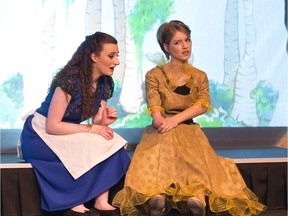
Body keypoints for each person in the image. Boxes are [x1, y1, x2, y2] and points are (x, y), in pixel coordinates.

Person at [112, 20, 266, 216]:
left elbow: (202, 104)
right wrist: (161, 119)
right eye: (177, 42)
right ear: (166, 47)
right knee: (159, 154)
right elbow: (155, 107)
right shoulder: (154, 75)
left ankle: (196, 199)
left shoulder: (199, 76)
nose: (185, 46)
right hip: (161, 129)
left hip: (188, 128)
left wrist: (175, 120)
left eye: (187, 40)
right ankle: (156, 198)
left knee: (192, 158)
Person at [18, 32, 130, 216]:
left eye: (117, 56)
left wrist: (104, 122)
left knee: (113, 143)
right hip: (41, 135)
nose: (116, 61)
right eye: (111, 56)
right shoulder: (70, 80)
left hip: (69, 131)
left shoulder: (104, 83)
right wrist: (91, 129)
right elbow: (53, 126)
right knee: (83, 145)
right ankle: (73, 200)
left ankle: (101, 201)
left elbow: (97, 122)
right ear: (94, 57)